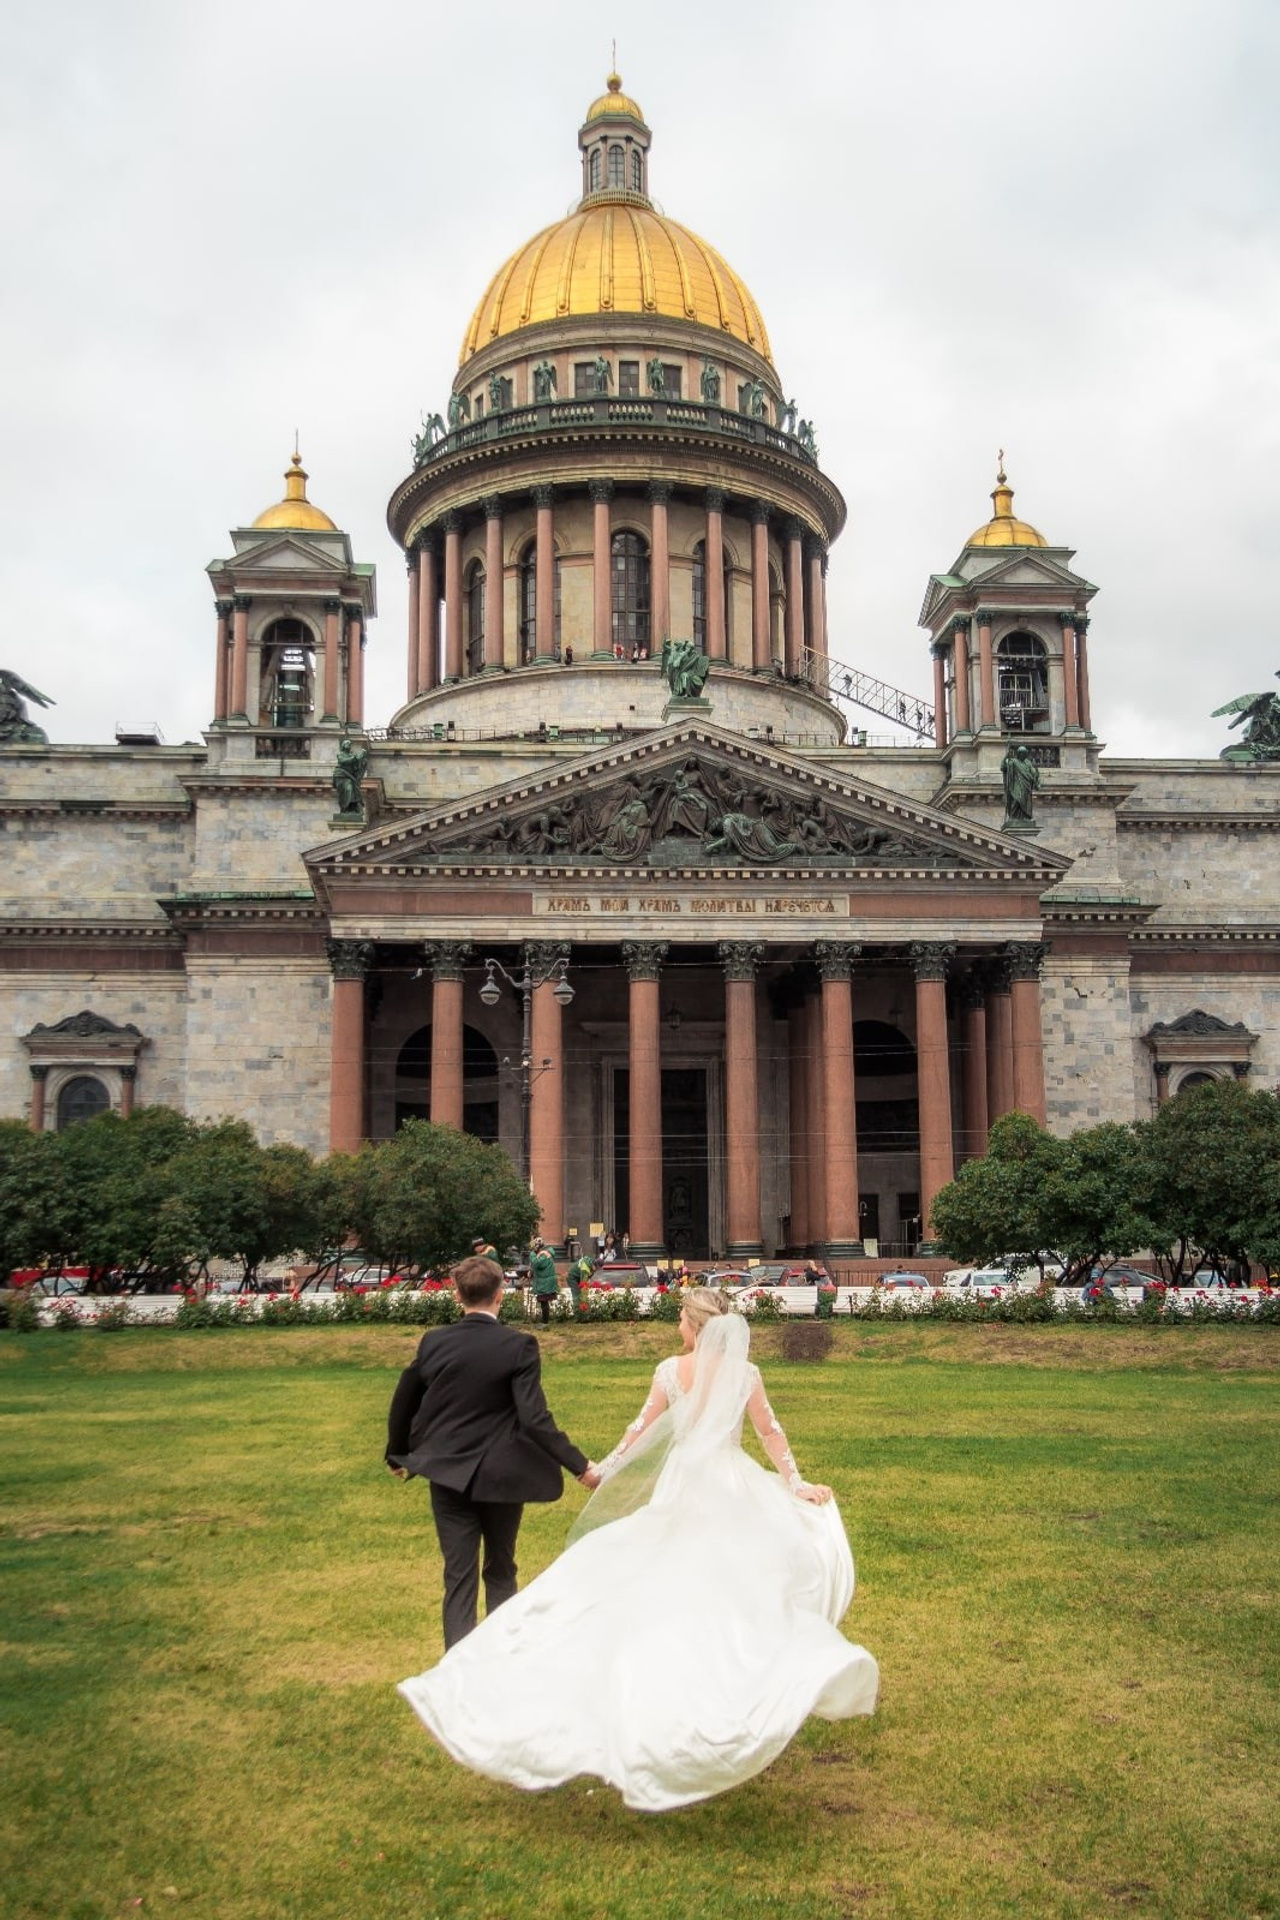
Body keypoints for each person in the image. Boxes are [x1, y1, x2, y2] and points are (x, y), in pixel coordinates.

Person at [398, 1287, 878, 1811]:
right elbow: (770, 1433)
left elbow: (639, 1429)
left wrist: (601, 1470)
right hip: (732, 1482)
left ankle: (683, 1689)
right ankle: (726, 1682)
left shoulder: (671, 1371)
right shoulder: (746, 1374)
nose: (677, 1324)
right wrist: (795, 1484)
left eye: (680, 1317)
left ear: (694, 1326)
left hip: (684, 1487)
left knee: (665, 1582)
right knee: (734, 1584)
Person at [385, 1256, 597, 1649]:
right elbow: (534, 1419)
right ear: (501, 1295)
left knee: (458, 1575)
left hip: (447, 1474)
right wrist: (580, 1466)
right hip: (502, 1476)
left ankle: (457, 1667)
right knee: (501, 1568)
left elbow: (405, 1396)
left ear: (456, 1295)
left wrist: (396, 1453)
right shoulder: (518, 1346)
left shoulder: (435, 1341)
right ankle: (499, 1662)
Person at [528, 1239, 560, 1325]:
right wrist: (531, 1271)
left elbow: (537, 1263)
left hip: (545, 1282)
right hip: (544, 1281)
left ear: (536, 1247)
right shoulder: (542, 1254)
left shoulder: (544, 1255)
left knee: (544, 1301)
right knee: (543, 1302)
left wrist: (532, 1255)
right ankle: (544, 1322)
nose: (532, 1251)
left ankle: (545, 1323)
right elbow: (537, 1266)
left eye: (532, 1249)